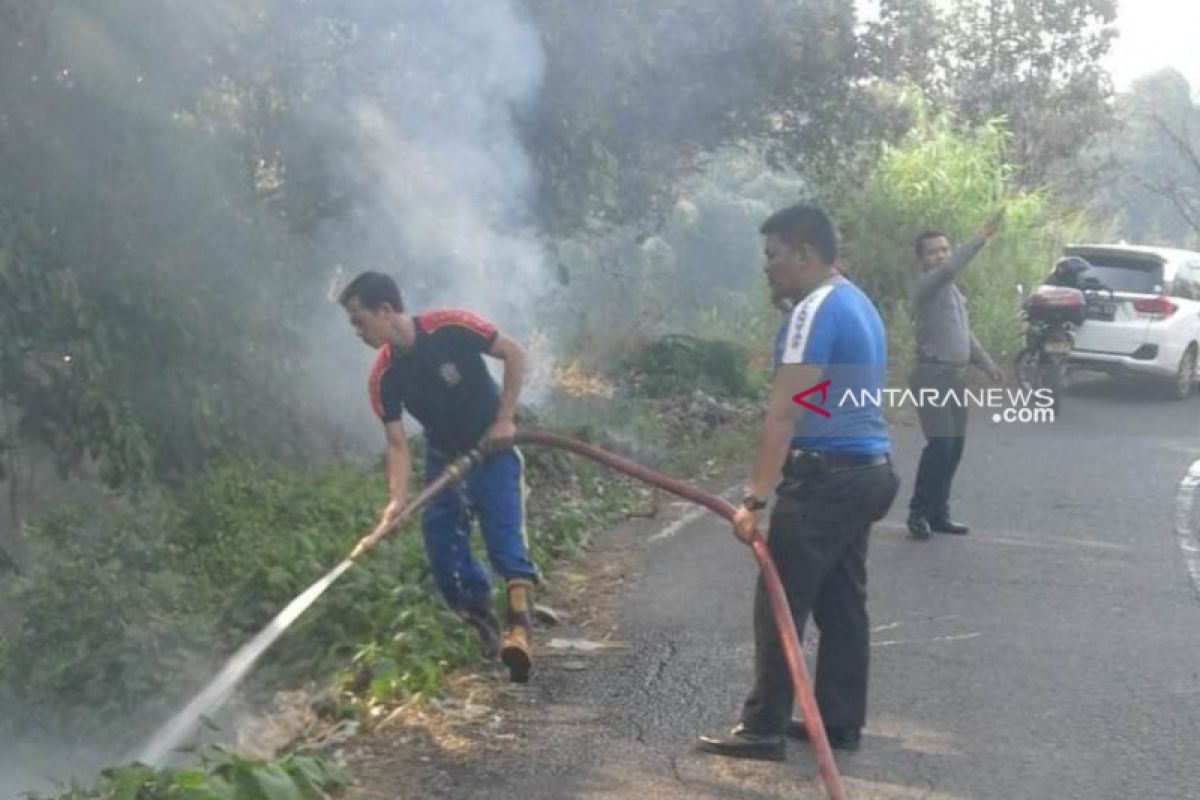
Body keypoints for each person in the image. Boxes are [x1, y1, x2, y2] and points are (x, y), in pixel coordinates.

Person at [696, 204, 899, 760]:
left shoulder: (815, 311)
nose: (768, 268)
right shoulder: (857, 301)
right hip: (868, 472)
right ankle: (837, 722)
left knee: (780, 598)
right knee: (841, 601)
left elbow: (783, 414)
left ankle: (762, 726)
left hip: (828, 477)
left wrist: (753, 500)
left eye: (773, 255)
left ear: (805, 254)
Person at [339, 271, 539, 683]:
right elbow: (397, 445)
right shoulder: (384, 378)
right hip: (444, 457)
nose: (356, 331)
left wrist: (505, 420)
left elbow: (514, 353)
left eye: (360, 320)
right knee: (443, 553)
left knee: (505, 542)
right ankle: (485, 626)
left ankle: (520, 633)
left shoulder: (451, 327)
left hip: (491, 447)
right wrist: (395, 501)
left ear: (386, 310)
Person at [905, 213, 1005, 540]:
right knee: (941, 445)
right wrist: (980, 236)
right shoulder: (927, 285)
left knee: (955, 446)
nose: (941, 256)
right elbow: (951, 269)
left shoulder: (952, 293)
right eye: (933, 251)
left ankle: (938, 512)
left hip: (954, 377)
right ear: (921, 258)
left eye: (945, 249)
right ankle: (918, 513)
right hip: (931, 374)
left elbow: (965, 335)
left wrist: (987, 365)